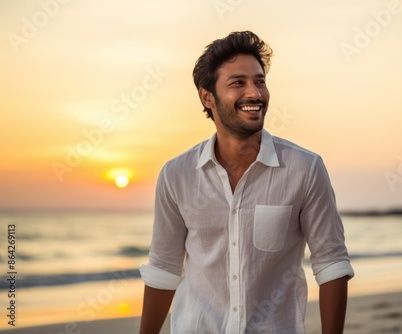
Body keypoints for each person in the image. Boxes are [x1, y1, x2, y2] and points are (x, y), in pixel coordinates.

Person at [139, 31, 354, 334]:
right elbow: (164, 268)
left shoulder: (304, 169)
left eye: (260, 81)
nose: (254, 93)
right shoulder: (177, 175)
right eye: (238, 82)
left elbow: (332, 265)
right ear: (207, 97)